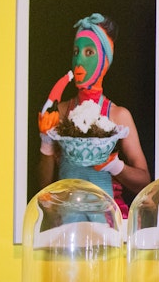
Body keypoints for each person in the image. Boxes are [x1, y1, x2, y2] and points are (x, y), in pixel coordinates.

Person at [36, 13, 151, 210]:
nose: (79, 60)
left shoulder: (118, 115)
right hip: (68, 216)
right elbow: (44, 187)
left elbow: (144, 183)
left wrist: (114, 165)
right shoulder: (60, 111)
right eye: (76, 52)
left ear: (105, 60)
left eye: (89, 52)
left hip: (108, 218)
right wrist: (46, 141)